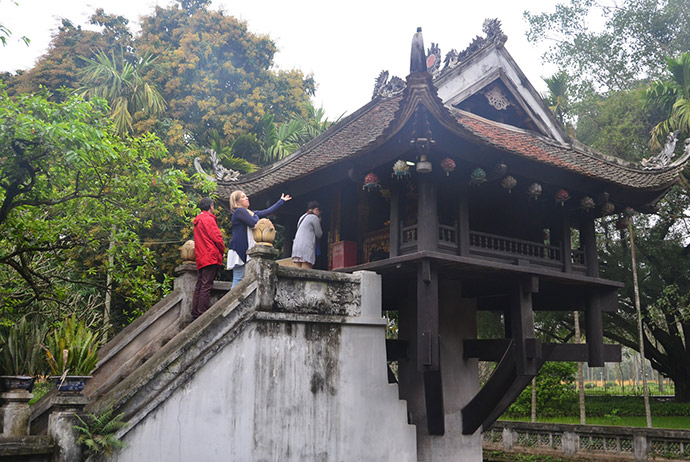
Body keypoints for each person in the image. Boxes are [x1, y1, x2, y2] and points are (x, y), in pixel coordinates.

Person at [227, 190, 291, 288]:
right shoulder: (240, 211)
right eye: (243, 197)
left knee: (243, 279)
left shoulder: (249, 213)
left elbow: (266, 212)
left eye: (246, 196)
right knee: (238, 278)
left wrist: (281, 201)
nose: (246, 198)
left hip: (244, 248)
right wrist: (258, 217)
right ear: (237, 202)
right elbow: (254, 223)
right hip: (239, 248)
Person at [191, 197, 225, 320]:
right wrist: (222, 250)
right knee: (206, 285)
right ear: (211, 207)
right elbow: (217, 237)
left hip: (201, 256)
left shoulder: (198, 220)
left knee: (200, 284)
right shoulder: (208, 219)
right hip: (210, 255)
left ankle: (195, 312)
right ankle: (202, 313)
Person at [291, 201, 323, 269]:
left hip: (297, 247)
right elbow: (319, 234)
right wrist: (319, 221)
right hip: (306, 247)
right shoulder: (314, 217)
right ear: (316, 209)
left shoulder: (302, 217)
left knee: (297, 272)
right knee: (305, 272)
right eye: (319, 213)